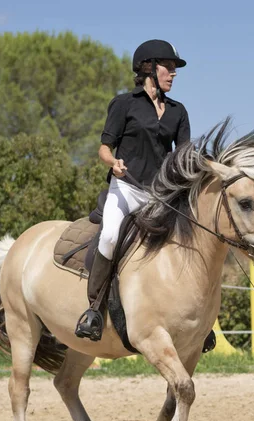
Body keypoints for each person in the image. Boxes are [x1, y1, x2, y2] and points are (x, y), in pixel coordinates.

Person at [75, 39, 190, 341]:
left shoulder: (178, 112)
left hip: (161, 196)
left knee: (186, 243)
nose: (173, 73)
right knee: (111, 236)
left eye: (175, 68)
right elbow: (103, 147)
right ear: (149, 67)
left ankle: (192, 320)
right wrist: (112, 163)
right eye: (169, 66)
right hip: (126, 189)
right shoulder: (124, 104)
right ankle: (94, 310)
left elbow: (184, 155)